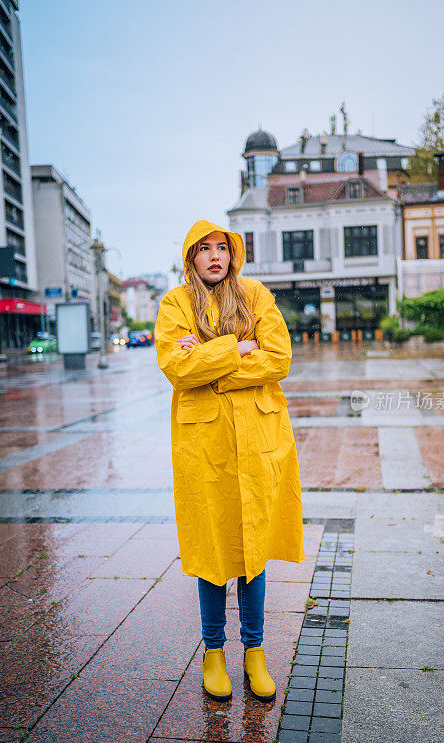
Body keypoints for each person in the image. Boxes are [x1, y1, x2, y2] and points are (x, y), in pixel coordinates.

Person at [154, 219, 304, 702]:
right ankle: (214, 651)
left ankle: (255, 652)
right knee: (212, 550)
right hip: (205, 444)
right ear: (191, 257)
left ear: (233, 254)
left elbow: (278, 359)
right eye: (205, 249)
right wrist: (239, 347)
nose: (215, 256)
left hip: (259, 437)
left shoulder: (256, 295)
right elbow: (178, 368)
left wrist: (214, 365)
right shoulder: (175, 304)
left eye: (223, 247)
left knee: (254, 548)